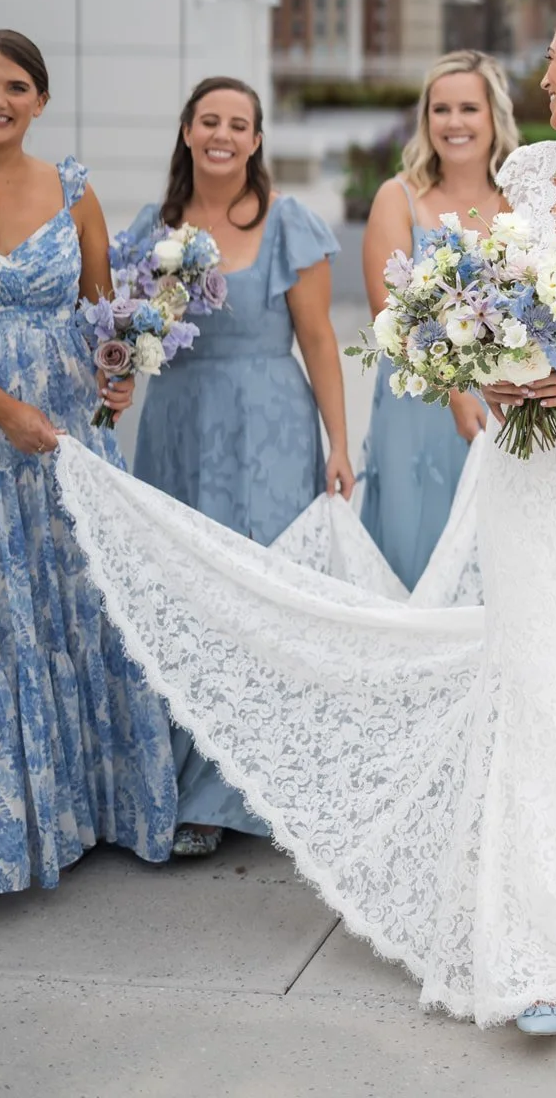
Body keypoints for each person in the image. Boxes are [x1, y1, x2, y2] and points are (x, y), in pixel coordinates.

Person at [53, 0, 556, 1033]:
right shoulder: (529, 172)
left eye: (555, 59)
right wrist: (482, 359)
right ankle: (541, 950)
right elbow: (494, 298)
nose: (542, 77)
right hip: (530, 462)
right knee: (536, 678)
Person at [130, 76, 352, 858]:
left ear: (256, 140)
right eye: (209, 121)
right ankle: (184, 782)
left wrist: (339, 442)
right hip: (179, 423)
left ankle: (239, 792)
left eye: (238, 124)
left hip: (269, 425)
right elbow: (129, 330)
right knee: (183, 594)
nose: (222, 134)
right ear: (188, 131)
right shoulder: (153, 227)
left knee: (261, 593)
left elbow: (318, 339)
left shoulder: (288, 223)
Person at [0, 28, 175, 890]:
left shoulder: (73, 190)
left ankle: (97, 811)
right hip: (1, 430)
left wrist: (118, 372)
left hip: (69, 431)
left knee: (83, 599)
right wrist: (6, 413)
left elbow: (103, 314)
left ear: (41, 100)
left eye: (14, 85)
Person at [360, 51, 517, 589]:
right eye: (440, 109)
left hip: (501, 404)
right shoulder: (399, 198)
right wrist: (454, 394)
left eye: (468, 108)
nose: (454, 122)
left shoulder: (520, 202)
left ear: (494, 116)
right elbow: (389, 316)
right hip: (419, 402)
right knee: (416, 549)